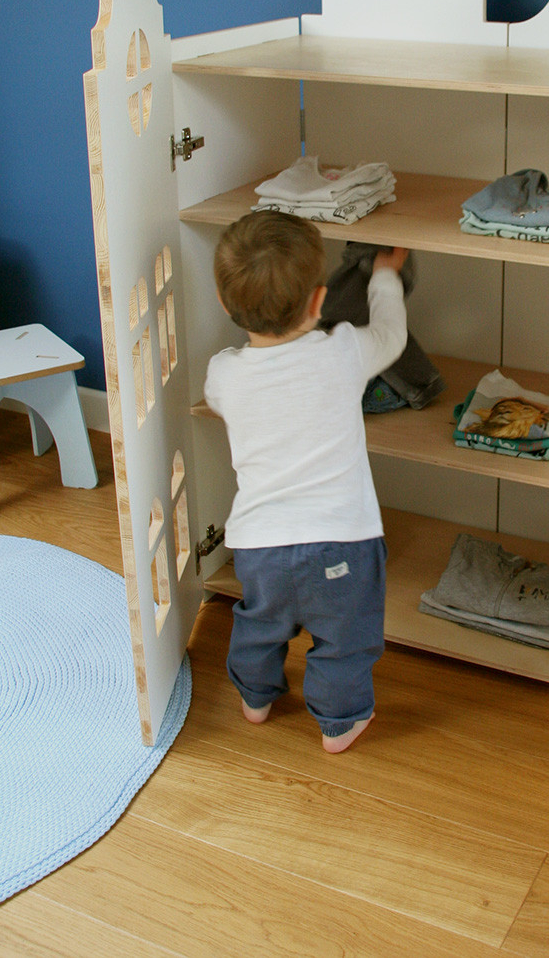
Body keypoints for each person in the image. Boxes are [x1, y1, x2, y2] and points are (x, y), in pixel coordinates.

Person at [204, 210, 408, 753]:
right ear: (319, 302)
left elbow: (225, 398)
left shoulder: (222, 373)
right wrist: (384, 274)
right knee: (344, 637)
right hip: (342, 540)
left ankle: (255, 696)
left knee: (260, 623)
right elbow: (391, 335)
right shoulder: (342, 351)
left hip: (258, 547)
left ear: (226, 305)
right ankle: (339, 722)